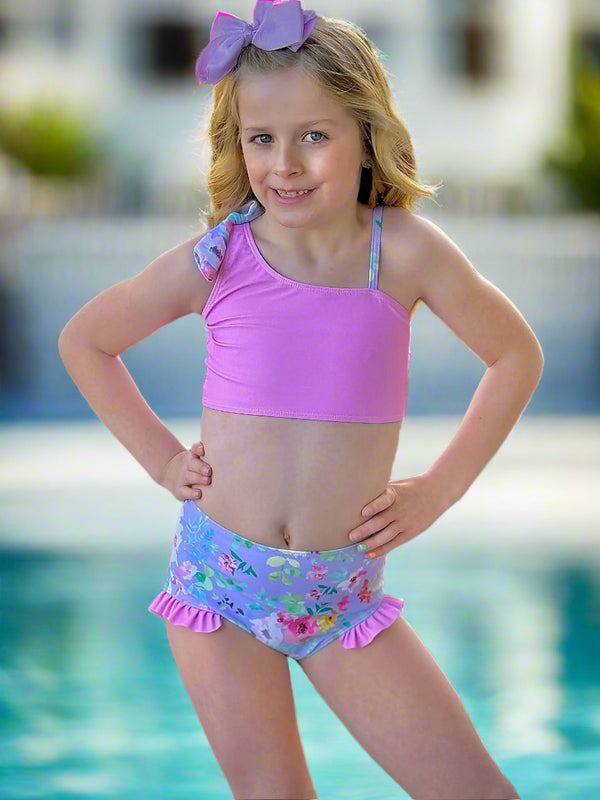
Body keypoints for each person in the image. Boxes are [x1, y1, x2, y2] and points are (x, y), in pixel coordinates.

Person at [59, 2, 543, 798]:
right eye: (261, 138)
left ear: (367, 134)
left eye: (314, 135)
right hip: (219, 588)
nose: (284, 163)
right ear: (236, 142)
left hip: (343, 597)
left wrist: (439, 490)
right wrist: (162, 460)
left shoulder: (404, 251)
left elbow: (515, 354)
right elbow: (86, 340)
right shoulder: (218, 259)